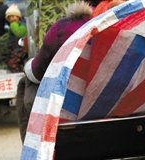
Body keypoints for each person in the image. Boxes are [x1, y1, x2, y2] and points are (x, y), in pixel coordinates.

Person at [17, 0, 95, 142]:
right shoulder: (108, 24)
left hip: (70, 104)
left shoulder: (61, 28)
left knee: (26, 82)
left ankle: (31, 146)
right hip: (105, 99)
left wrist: (28, 66)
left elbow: (37, 71)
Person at [3, 4, 27, 72]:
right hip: (17, 48)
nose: (12, 18)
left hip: (17, 49)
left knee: (14, 62)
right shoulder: (14, 25)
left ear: (18, 17)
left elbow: (19, 33)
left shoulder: (14, 25)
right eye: (10, 17)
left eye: (14, 16)